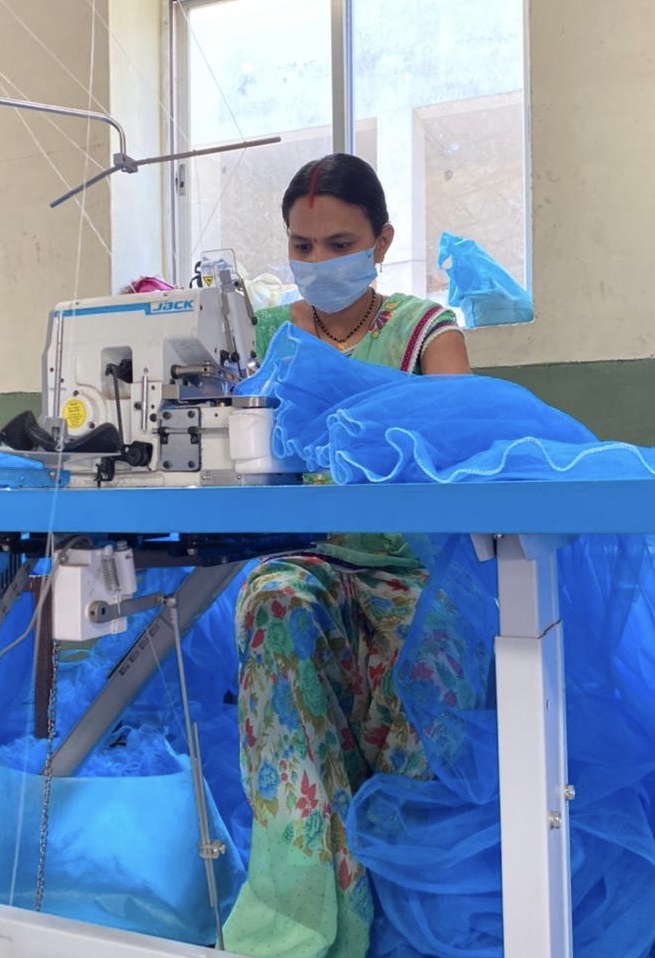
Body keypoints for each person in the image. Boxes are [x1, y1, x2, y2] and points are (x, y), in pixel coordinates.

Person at [222, 153, 472, 958]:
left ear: (383, 240)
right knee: (273, 601)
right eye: (302, 246)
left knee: (428, 653)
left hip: (410, 569)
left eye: (339, 244)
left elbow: (464, 442)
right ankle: (300, 907)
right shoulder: (261, 337)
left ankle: (404, 905)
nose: (318, 263)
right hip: (311, 559)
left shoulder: (424, 333)